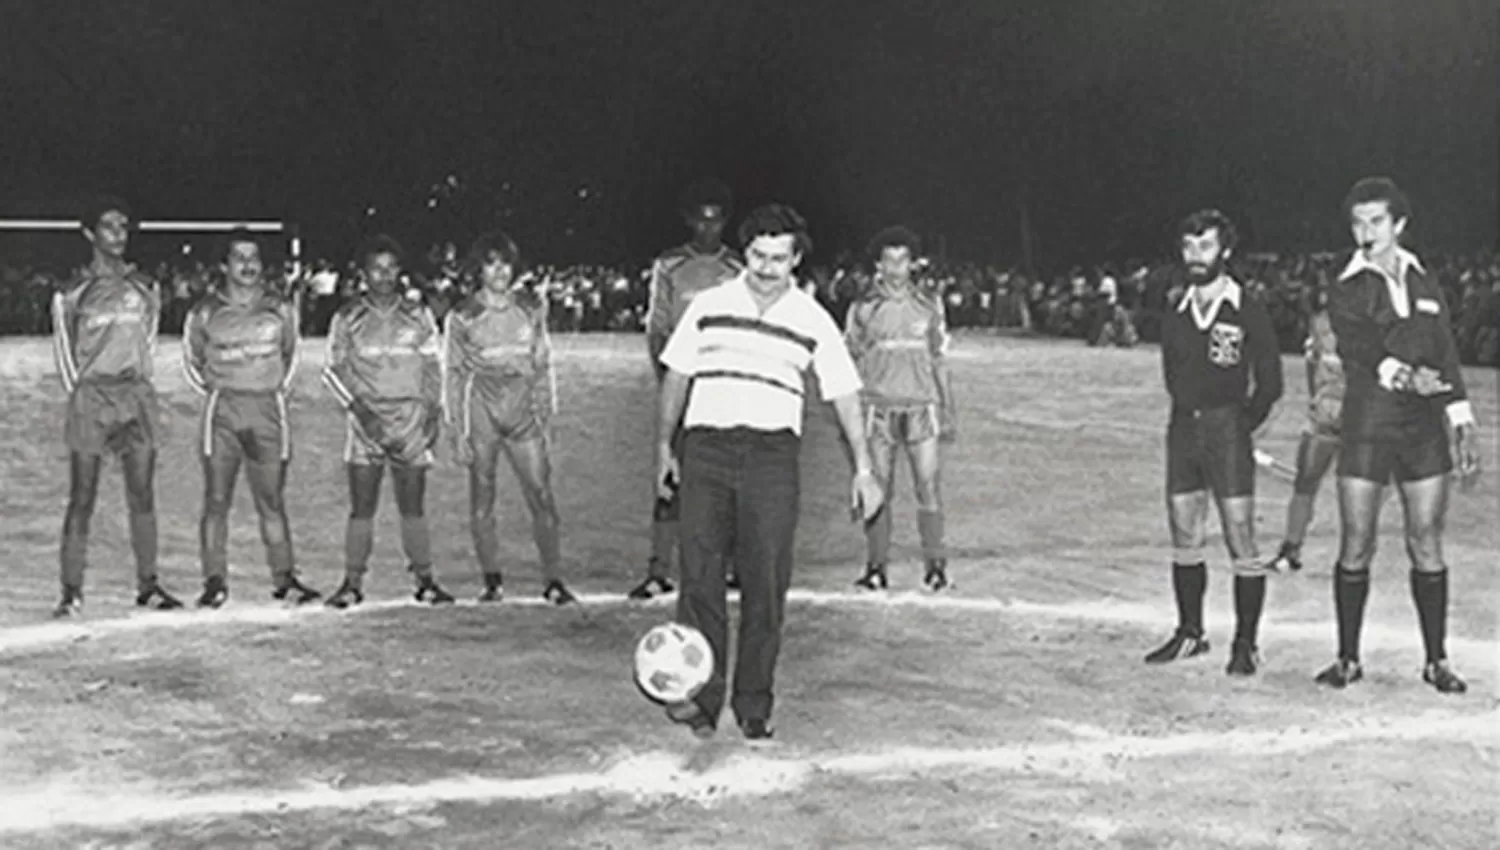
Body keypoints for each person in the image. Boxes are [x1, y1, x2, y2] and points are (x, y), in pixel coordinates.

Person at [655, 204, 884, 740]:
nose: (765, 267)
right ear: (745, 254)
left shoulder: (811, 318)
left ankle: (754, 703)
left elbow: (845, 394)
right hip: (706, 450)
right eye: (758, 255)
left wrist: (865, 469)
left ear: (796, 259)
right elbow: (677, 376)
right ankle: (703, 699)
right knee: (700, 577)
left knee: (766, 580)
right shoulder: (709, 306)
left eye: (778, 258)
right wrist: (664, 448)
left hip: (771, 458)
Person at [1316, 177, 1481, 694]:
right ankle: (1347, 659)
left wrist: (1461, 420)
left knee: (1426, 540)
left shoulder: (1424, 277)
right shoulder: (1344, 283)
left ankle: (1436, 660)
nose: (1365, 232)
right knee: (1357, 541)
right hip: (1368, 423)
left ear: (1399, 224)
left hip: (1423, 427)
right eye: (1358, 222)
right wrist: (1408, 375)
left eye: (1376, 221)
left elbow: (1445, 350)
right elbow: (1359, 346)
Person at [1146, 209, 1284, 676]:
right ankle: (1191, 633)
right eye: (1189, 246)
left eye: (1205, 246)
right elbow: (1171, 371)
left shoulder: (1247, 306)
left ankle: (1245, 643)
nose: (1196, 256)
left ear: (1224, 250)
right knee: (1184, 531)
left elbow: (1270, 381)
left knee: (1240, 535)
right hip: (1183, 428)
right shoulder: (1175, 305)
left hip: (1227, 430)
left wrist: (1243, 425)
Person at [50, 196, 185, 617]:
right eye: (109, 226)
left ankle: (149, 584)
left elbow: (149, 341)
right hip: (92, 398)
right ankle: (71, 591)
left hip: (135, 398)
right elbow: (65, 356)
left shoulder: (145, 286)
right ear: (90, 233)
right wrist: (88, 393)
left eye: (124, 227)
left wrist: (136, 388)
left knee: (141, 494)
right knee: (82, 497)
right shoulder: (71, 292)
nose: (119, 234)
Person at [182, 229, 321, 607]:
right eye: (239, 257)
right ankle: (214, 581)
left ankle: (285, 578)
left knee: (272, 500)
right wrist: (221, 389)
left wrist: (271, 389)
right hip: (223, 413)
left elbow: (292, 357)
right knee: (216, 500)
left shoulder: (280, 309)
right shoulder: (205, 311)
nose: (248, 265)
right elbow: (192, 362)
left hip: (267, 413)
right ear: (225, 265)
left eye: (254, 257)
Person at [443, 230, 576, 605]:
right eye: (491, 263)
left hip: (523, 417)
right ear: (479, 269)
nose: (499, 271)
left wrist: (546, 416)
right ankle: (492, 580)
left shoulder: (532, 307)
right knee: (482, 498)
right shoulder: (463, 315)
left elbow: (542, 363)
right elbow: (453, 373)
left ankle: (553, 579)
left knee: (541, 494)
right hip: (482, 415)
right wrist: (457, 432)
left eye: (505, 262)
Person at [627, 178, 745, 600]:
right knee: (670, 477)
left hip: (725, 389)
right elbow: (658, 328)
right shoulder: (670, 265)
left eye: (716, 221)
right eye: (701, 220)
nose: (708, 229)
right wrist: (669, 381)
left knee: (728, 479)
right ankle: (659, 570)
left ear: (725, 222)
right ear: (689, 221)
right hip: (683, 386)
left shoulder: (738, 268)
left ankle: (733, 569)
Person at [321, 235, 452, 608]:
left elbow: (433, 367)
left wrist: (432, 414)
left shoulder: (418, 314)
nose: (384, 275)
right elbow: (333, 371)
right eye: (376, 268)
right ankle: (351, 582)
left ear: (400, 271)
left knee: (413, 506)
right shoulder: (348, 317)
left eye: (391, 267)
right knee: (362, 507)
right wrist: (361, 412)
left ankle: (425, 580)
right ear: (364, 273)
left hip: (410, 422)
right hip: (366, 424)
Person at [843, 226, 956, 591]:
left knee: (928, 486)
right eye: (888, 260)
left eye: (902, 260)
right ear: (878, 264)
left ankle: (935, 566)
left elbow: (939, 358)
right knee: (879, 489)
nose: (895, 268)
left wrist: (948, 407)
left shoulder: (929, 304)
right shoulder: (863, 306)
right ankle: (876, 568)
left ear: (913, 263)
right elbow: (849, 359)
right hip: (878, 408)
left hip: (921, 407)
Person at [1268, 282, 1343, 572]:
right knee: (1305, 482)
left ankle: (1350, 558)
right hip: (1328, 417)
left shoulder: (1361, 325)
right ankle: (1291, 548)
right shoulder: (1318, 325)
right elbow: (1314, 368)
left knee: (1355, 489)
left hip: (1354, 416)